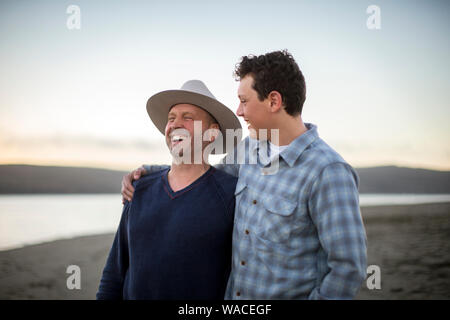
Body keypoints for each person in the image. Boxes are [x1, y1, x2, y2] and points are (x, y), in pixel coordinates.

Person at [121, 50, 368, 299]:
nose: (238, 111)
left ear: (273, 101)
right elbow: (201, 176)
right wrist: (148, 175)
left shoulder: (328, 172)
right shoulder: (250, 149)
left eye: (244, 100)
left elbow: (347, 269)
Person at [97, 80, 241, 300]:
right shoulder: (139, 188)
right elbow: (115, 271)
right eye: (171, 118)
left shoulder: (230, 195)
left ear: (212, 134)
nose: (175, 124)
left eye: (188, 117)